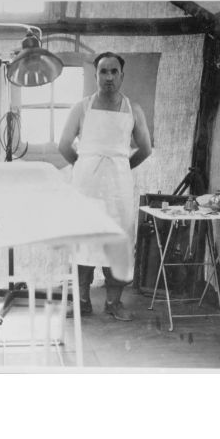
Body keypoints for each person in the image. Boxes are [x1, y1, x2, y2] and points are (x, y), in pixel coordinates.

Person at [59, 52, 152, 321]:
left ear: (122, 76)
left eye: (114, 72)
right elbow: (64, 145)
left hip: (118, 188)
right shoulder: (81, 108)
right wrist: (84, 166)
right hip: (86, 186)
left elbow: (145, 149)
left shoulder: (133, 110)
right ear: (95, 75)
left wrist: (121, 167)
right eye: (103, 71)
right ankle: (82, 301)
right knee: (83, 241)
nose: (108, 77)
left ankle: (113, 302)